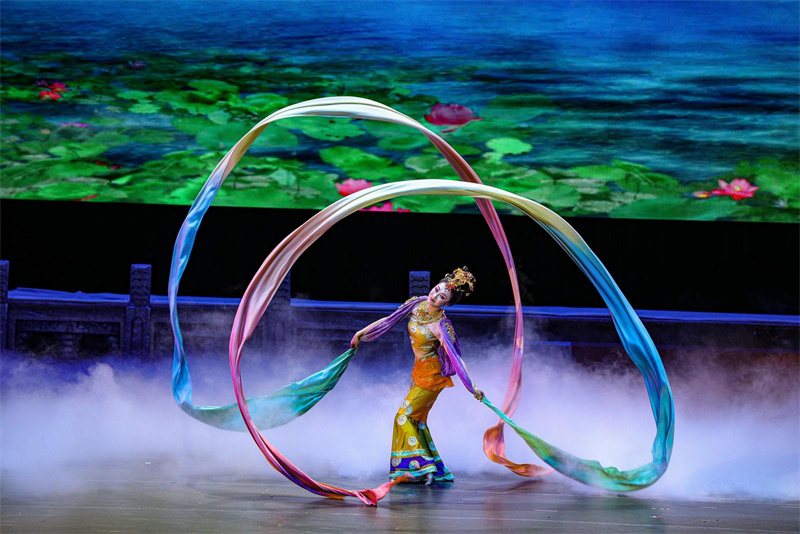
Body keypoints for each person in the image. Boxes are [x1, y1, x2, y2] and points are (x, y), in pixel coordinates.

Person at [350, 267, 484, 486]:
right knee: (417, 422)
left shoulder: (441, 325)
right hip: (418, 372)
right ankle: (432, 470)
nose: (435, 295)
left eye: (442, 296)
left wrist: (473, 387)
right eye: (437, 289)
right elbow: (389, 320)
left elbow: (457, 358)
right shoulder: (416, 304)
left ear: (446, 304)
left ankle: (422, 466)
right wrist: (362, 333)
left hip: (432, 378)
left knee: (402, 417)